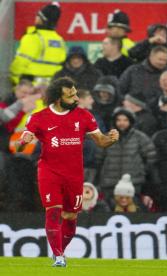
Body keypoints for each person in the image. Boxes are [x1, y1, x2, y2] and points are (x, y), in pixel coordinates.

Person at [17, 77, 119, 267]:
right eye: (71, 95)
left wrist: (111, 139)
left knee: (71, 218)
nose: (76, 98)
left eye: (75, 93)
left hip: (74, 174)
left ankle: (59, 252)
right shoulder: (39, 118)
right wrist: (23, 142)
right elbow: (19, 147)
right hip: (49, 171)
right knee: (53, 212)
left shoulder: (84, 116)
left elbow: (101, 142)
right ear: (58, 98)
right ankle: (58, 257)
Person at [95, 108, 156, 207]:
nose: (121, 123)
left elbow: (151, 158)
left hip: (133, 184)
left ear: (130, 121)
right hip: (109, 185)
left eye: (125, 120)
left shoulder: (140, 137)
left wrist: (141, 172)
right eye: (118, 120)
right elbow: (98, 160)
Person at [10, 2, 66, 85]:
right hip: (50, 89)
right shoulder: (59, 40)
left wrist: (16, 81)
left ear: (42, 19)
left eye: (38, 15)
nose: (36, 18)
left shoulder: (33, 37)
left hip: (30, 88)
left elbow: (20, 63)